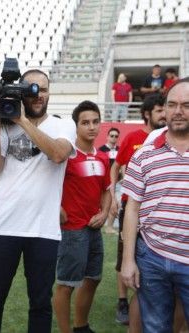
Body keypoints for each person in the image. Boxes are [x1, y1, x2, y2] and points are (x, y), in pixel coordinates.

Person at [0, 69, 76, 333]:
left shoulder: (63, 124)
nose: (37, 95)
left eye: (43, 89)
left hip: (43, 229)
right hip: (4, 226)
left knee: (40, 303)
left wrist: (21, 120)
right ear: (21, 92)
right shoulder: (5, 125)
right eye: (31, 89)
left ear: (49, 93)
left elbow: (58, 154)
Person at [121, 78, 189, 333]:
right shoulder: (144, 154)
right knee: (154, 327)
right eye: (172, 105)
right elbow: (132, 209)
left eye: (186, 105)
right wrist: (128, 260)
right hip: (152, 257)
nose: (178, 111)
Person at [53, 101, 111, 333]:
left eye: (95, 122)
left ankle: (81, 326)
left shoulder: (103, 157)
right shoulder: (68, 155)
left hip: (94, 228)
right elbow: (48, 183)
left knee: (93, 278)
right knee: (66, 285)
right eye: (85, 122)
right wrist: (56, 208)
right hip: (72, 229)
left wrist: (105, 212)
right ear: (75, 127)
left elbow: (107, 189)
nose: (91, 127)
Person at [109, 94, 166, 328]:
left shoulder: (170, 139)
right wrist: (112, 193)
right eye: (160, 110)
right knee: (126, 255)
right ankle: (123, 301)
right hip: (131, 206)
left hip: (154, 210)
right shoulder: (133, 137)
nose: (165, 114)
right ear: (147, 113)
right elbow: (116, 167)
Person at [99, 127, 120, 234]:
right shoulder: (101, 150)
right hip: (104, 182)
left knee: (115, 204)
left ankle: (109, 227)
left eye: (116, 136)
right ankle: (102, 224)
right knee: (104, 204)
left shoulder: (120, 150)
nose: (114, 138)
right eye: (112, 136)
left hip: (117, 182)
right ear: (107, 137)